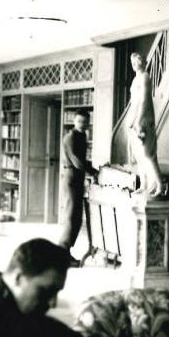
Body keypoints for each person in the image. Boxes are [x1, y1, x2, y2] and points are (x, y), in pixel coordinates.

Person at [59, 109, 98, 264]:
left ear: (88, 123)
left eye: (85, 122)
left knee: (77, 217)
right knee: (71, 216)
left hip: (78, 178)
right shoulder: (71, 137)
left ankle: (66, 252)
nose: (82, 124)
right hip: (71, 178)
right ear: (74, 121)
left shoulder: (82, 136)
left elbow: (82, 161)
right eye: (79, 121)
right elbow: (77, 161)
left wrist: (94, 171)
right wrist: (92, 172)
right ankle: (62, 252)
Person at [126, 52, 164, 197]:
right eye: (133, 63)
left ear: (143, 62)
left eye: (137, 62)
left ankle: (160, 185)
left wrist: (138, 120)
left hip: (143, 119)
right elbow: (133, 102)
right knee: (139, 156)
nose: (134, 65)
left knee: (147, 154)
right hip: (134, 118)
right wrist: (131, 120)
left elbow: (144, 100)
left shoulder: (145, 77)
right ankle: (144, 185)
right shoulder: (135, 79)